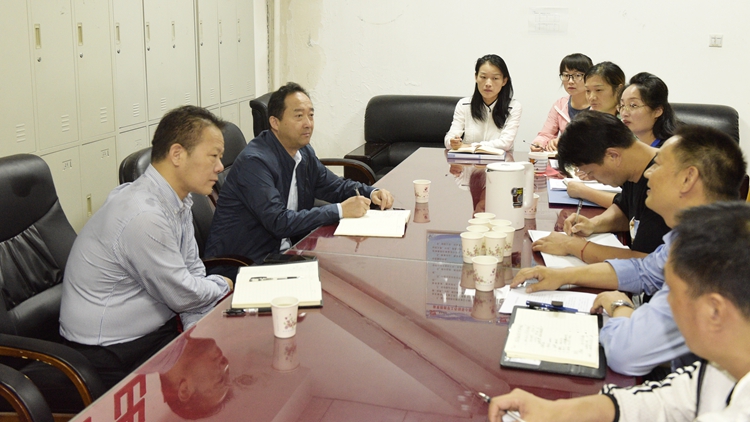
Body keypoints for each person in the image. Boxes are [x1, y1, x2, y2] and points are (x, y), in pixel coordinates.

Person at [512, 125, 746, 377]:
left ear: (688, 178)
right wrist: (564, 276)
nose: (649, 173)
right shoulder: (692, 234)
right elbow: (644, 270)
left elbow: (626, 353)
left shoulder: (710, 259)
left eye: (658, 165)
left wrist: (619, 305)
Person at [489, 201, 750, 422]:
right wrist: (557, 411)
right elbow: (667, 401)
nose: (665, 303)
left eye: (670, 292)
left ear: (714, 311)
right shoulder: (721, 369)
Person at [59, 106, 234, 389]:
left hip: (158, 329)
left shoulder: (177, 201)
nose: (220, 167)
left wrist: (198, 334)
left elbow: (192, 272)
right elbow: (182, 293)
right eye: (213, 156)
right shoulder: (143, 215)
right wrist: (224, 285)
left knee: (232, 351)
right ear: (177, 154)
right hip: (113, 350)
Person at [205, 82, 394, 267]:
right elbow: (278, 222)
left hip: (289, 252)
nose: (308, 124)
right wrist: (340, 210)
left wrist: (371, 193)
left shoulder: (303, 152)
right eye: (299, 116)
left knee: (362, 263)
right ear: (275, 122)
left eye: (311, 115)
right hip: (247, 263)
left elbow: (333, 186)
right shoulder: (255, 162)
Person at [533, 110, 670, 261]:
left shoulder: (664, 182)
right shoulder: (633, 170)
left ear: (613, 156)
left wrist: (571, 245)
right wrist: (594, 224)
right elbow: (626, 212)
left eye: (591, 172)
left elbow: (646, 262)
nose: (592, 178)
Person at [566, 61, 626, 208]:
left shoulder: (629, 122)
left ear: (619, 90)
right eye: (588, 91)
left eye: (598, 90)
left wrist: (596, 174)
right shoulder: (590, 121)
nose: (592, 97)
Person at [444, 54, 522, 151]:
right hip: (468, 159)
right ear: (476, 77)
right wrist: (452, 141)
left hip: (500, 160)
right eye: (483, 77)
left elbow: (505, 144)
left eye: (495, 78)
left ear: (504, 81)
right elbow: (450, 137)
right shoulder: (464, 105)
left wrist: (471, 146)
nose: (488, 84)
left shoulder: (513, 107)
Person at [530, 53, 593, 152]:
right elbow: (546, 135)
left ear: (589, 77)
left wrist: (565, 142)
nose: (570, 81)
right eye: (566, 75)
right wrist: (539, 143)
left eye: (577, 75)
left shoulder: (598, 105)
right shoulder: (559, 105)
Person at [619, 72, 678, 148]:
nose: (624, 113)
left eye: (633, 105)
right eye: (622, 105)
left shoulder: (673, 149)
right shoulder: (630, 147)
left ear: (657, 111)